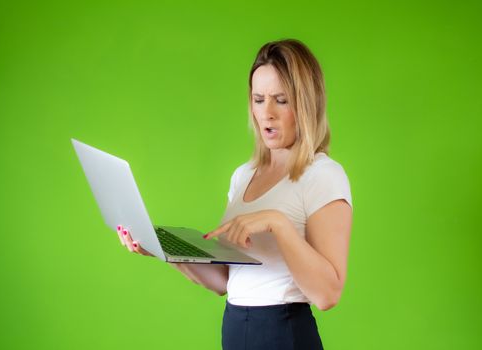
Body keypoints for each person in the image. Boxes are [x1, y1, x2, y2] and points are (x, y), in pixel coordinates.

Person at [116, 38, 353, 350]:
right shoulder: (243, 176)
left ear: (306, 104)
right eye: (258, 99)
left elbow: (327, 294)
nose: (266, 113)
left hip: (283, 334)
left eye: (281, 100)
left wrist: (278, 224)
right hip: (235, 330)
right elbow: (226, 282)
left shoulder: (324, 175)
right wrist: (161, 247)